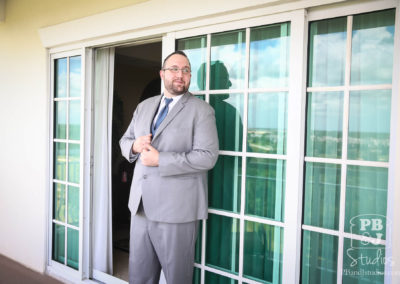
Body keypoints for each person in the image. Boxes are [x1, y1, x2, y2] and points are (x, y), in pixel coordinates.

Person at [119, 50, 219, 284]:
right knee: (139, 275)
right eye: (174, 69)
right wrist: (134, 146)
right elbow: (124, 141)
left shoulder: (202, 110)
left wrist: (161, 160)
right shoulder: (144, 106)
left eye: (186, 70)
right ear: (162, 73)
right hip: (141, 206)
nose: (180, 75)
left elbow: (207, 157)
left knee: (177, 278)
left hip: (177, 211)